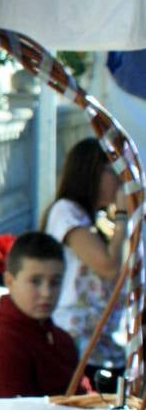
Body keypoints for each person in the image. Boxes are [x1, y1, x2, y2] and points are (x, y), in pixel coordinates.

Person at [42, 137, 130, 378]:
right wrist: (122, 215)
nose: (120, 179)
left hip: (109, 346)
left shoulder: (100, 219)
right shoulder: (66, 212)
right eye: (113, 170)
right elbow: (108, 265)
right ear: (91, 172)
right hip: (79, 346)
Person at [0, 231, 81, 399]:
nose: (46, 293)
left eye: (55, 282)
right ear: (9, 281)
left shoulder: (61, 339)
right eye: (35, 281)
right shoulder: (1, 346)